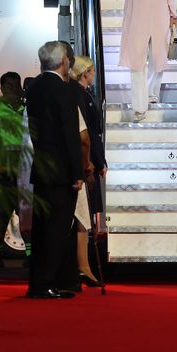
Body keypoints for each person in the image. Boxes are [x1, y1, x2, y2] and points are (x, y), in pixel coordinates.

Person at [25, 41, 85, 299]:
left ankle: (39, 280)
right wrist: (77, 173)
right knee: (57, 230)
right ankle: (46, 283)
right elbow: (69, 134)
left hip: (41, 168)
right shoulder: (63, 89)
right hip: (61, 171)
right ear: (63, 62)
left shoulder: (35, 86)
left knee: (41, 229)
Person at [70, 55, 106, 287]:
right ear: (86, 72)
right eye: (92, 71)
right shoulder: (80, 97)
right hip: (87, 161)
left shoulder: (85, 95)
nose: (94, 75)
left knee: (87, 214)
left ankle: (83, 264)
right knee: (83, 215)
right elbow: (88, 135)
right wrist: (96, 163)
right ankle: (82, 265)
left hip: (91, 157)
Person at [0, 71, 28, 267]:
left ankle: (31, 255)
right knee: (0, 214)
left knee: (26, 214)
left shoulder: (27, 108)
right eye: (10, 85)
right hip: (3, 168)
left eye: (16, 85)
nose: (14, 89)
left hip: (25, 169)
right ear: (2, 88)